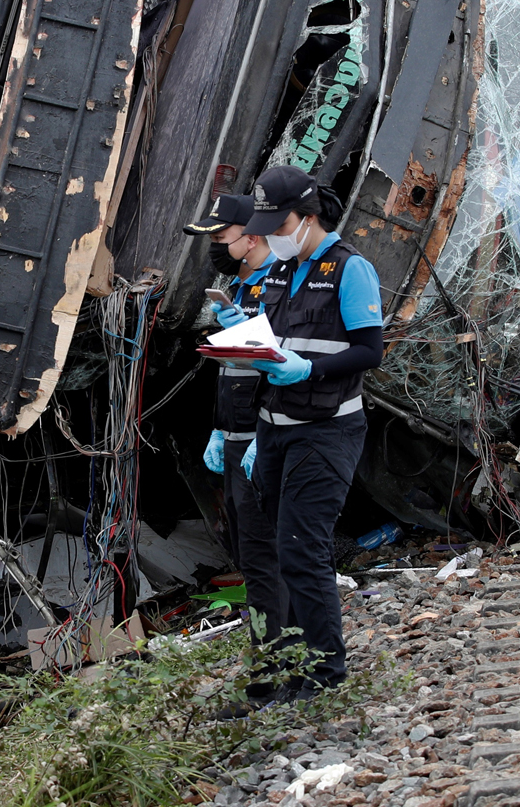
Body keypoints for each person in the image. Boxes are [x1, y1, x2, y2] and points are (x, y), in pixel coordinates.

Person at [237, 165, 384, 700]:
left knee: (303, 550)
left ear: (308, 217)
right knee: (277, 552)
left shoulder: (351, 270)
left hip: (326, 430)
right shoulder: (279, 272)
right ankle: (284, 675)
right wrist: (243, 337)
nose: (273, 234)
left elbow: (371, 350)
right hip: (273, 428)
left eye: (280, 223)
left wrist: (308, 369)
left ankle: (322, 675)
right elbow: (276, 341)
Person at [185, 194, 288, 709]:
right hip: (237, 434)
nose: (215, 248)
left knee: (264, 558)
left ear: (251, 236)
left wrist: (260, 439)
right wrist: (222, 429)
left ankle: (277, 677)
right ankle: (271, 666)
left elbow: (280, 369)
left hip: (260, 438)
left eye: (220, 238)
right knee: (248, 555)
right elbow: (236, 370)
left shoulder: (278, 284)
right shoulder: (243, 286)